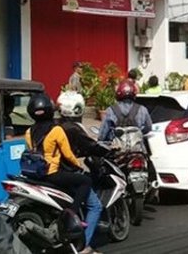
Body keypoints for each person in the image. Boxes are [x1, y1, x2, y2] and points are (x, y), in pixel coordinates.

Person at [25, 93, 91, 217]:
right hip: (52, 174)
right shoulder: (56, 130)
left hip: (35, 174)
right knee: (86, 181)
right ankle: (72, 214)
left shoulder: (29, 132)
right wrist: (79, 166)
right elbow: (68, 155)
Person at [57, 91, 106, 254]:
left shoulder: (56, 125)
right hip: (68, 172)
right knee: (95, 206)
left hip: (52, 172)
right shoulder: (74, 129)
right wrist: (107, 151)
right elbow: (90, 146)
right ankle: (84, 247)